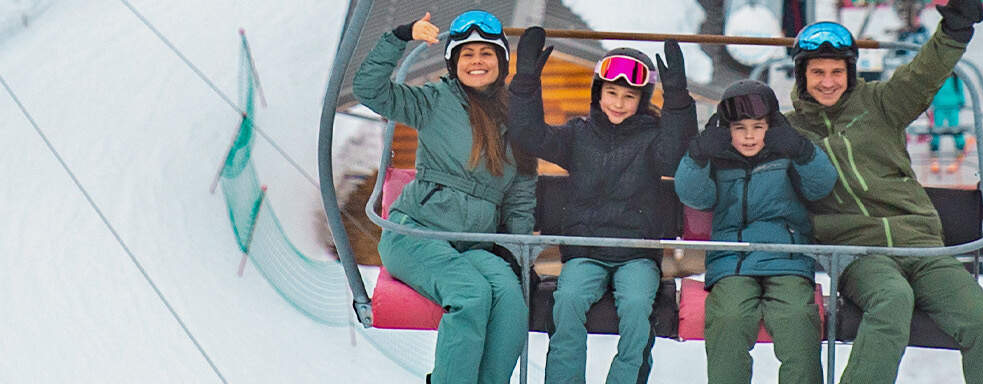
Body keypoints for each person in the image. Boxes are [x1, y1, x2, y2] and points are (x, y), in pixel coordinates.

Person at [780, 1, 983, 383]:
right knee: (891, 300)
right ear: (802, 76)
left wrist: (954, 31)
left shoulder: (880, 104)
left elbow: (924, 75)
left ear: (851, 73)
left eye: (837, 72)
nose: (828, 81)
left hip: (921, 246)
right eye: (818, 72)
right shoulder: (787, 132)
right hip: (858, 252)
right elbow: (740, 143)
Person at [504, 28, 696, 384]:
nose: (618, 103)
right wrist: (527, 83)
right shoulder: (577, 135)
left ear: (642, 99)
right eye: (611, 93)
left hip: (636, 255)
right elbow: (528, 135)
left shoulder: (653, 140)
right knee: (568, 303)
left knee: (638, 310)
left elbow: (675, 157)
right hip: (585, 254)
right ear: (598, 92)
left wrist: (678, 101)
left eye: (628, 96)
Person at [354, 10, 536, 384]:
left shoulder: (516, 119)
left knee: (511, 302)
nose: (477, 62)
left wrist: (515, 254)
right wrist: (400, 36)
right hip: (417, 234)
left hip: (474, 246)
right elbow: (369, 90)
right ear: (454, 62)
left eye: (486, 53)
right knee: (471, 295)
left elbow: (519, 196)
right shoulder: (434, 100)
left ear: (501, 61)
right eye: (467, 55)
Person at [674, 80, 838, 384]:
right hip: (732, 262)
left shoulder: (786, 152)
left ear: (772, 126)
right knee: (729, 317)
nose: (749, 136)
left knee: (797, 317)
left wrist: (802, 151)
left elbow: (821, 185)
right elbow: (696, 196)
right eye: (739, 128)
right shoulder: (717, 159)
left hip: (786, 258)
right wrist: (697, 156)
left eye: (758, 126)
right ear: (726, 129)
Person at [928, 74, 968, 173]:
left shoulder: (952, 77)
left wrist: (961, 101)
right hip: (942, 105)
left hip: (947, 105)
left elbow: (959, 88)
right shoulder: (948, 77)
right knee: (942, 128)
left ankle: (958, 147)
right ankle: (937, 148)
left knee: (951, 127)